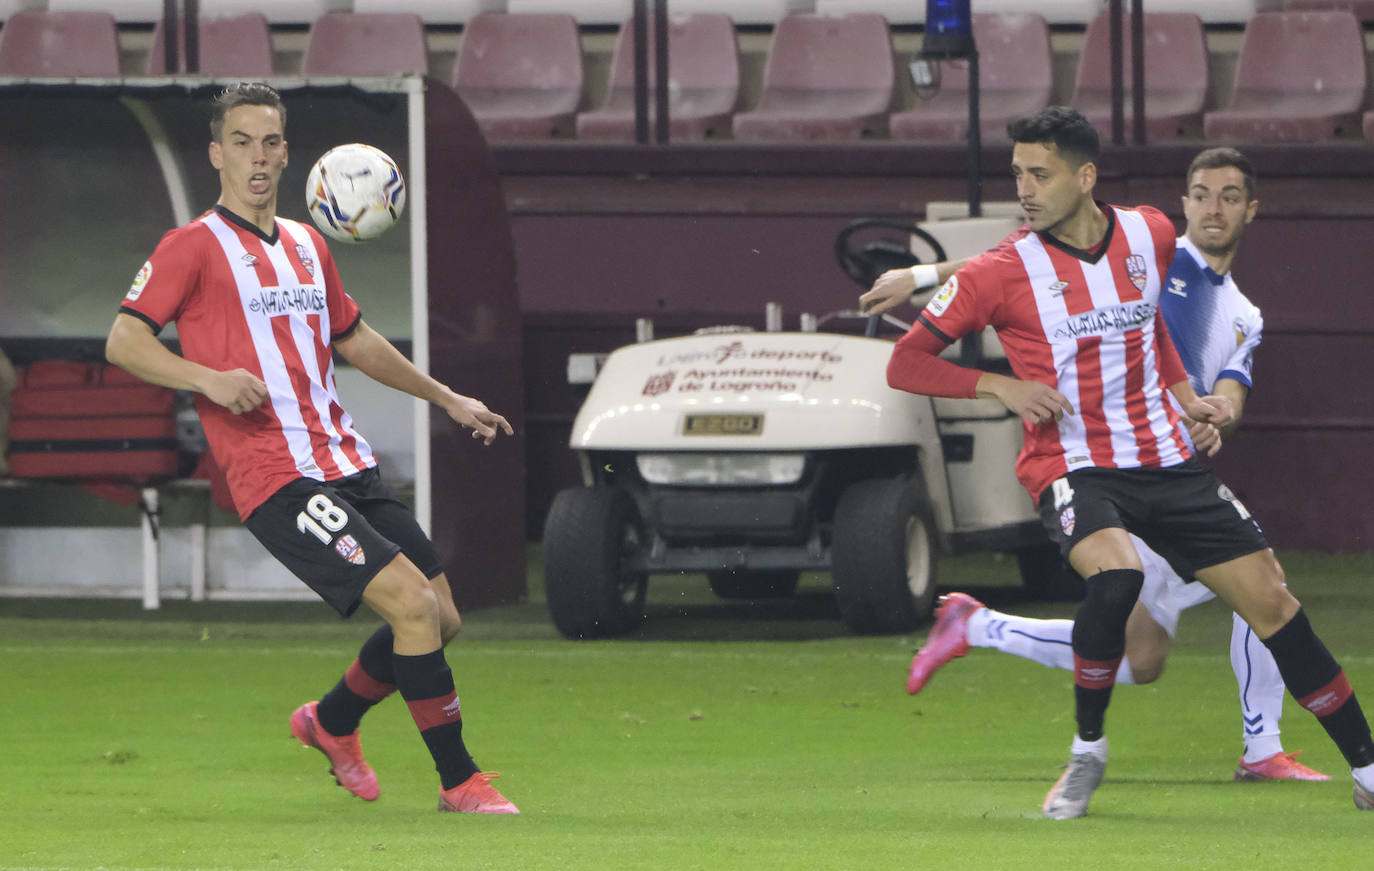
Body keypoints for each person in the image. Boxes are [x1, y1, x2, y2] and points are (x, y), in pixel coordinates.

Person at [883, 106, 1374, 818]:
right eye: (1017, 171)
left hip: (1170, 461)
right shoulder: (1001, 271)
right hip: (1074, 464)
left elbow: (1149, 327)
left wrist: (1184, 394)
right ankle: (1088, 751)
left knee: (1274, 604)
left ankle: (1366, 766)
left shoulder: (1151, 232)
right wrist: (1002, 385)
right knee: (1118, 573)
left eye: (1039, 173)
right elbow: (906, 362)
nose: (1023, 186)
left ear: (1086, 177)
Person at [105, 83, 519, 814]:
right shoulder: (192, 247)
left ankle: (331, 722)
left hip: (343, 460)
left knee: (442, 617)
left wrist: (449, 398)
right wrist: (208, 377)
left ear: (288, 153)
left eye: (269, 143)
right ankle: (461, 780)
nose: (257, 158)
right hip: (275, 476)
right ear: (215, 153)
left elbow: (354, 339)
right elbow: (124, 341)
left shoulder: (307, 243)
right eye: (241, 142)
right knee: (413, 609)